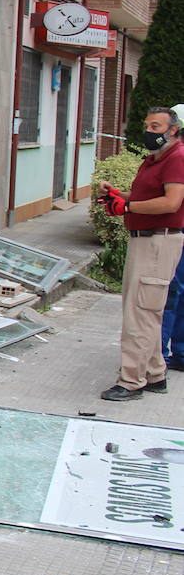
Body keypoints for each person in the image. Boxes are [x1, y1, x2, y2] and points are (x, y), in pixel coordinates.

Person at [97, 107, 184, 400]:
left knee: (141, 314)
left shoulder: (177, 158)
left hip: (158, 242)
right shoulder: (156, 159)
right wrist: (119, 196)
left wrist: (128, 207)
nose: (149, 131)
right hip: (145, 241)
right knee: (144, 311)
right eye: (147, 125)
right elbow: (146, 196)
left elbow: (171, 203)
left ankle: (131, 381)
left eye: (156, 126)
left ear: (173, 130)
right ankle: (155, 375)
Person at [160, 102, 184, 370]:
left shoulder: (176, 158)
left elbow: (169, 201)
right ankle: (177, 352)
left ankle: (160, 355)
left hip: (176, 231)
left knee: (170, 293)